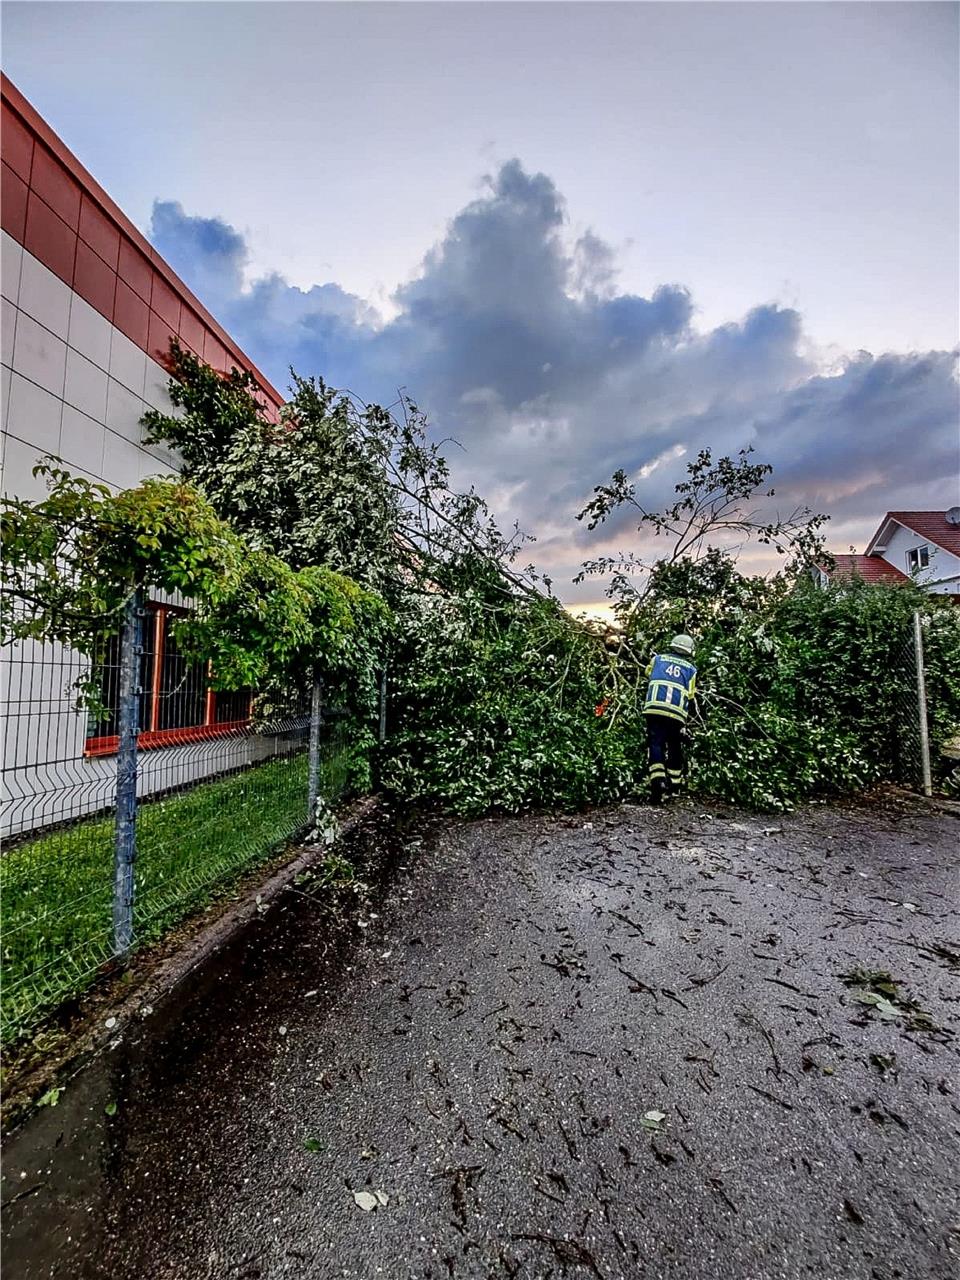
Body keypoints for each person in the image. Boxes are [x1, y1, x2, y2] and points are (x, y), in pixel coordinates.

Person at [643, 634, 697, 804]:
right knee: (674, 745)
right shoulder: (691, 670)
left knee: (656, 743)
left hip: (654, 708)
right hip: (676, 714)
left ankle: (657, 781)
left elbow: (648, 673)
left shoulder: (657, 659)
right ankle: (674, 785)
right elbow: (690, 694)